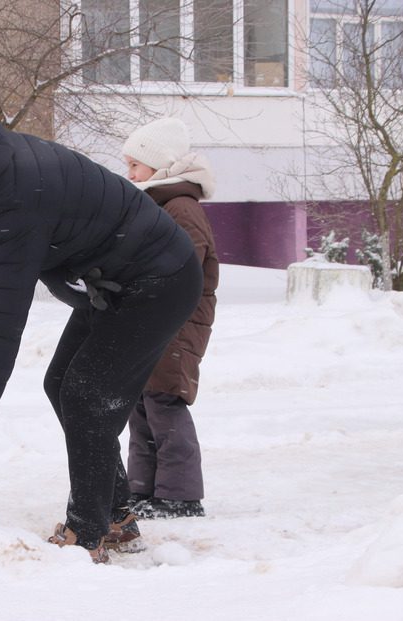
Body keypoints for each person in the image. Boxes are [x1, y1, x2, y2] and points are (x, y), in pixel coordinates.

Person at [0, 119, 203, 564]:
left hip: (157, 280)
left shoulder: (12, 203)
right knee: (62, 384)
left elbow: (1, 318)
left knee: (86, 395)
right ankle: (114, 515)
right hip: (116, 278)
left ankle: (87, 531)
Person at [121, 117, 219, 519]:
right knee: (141, 402)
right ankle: (143, 489)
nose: (128, 174)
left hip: (177, 324)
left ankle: (180, 495)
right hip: (153, 320)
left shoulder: (181, 208)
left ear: (158, 165)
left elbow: (182, 267)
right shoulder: (157, 206)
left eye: (134, 166)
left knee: (166, 401)